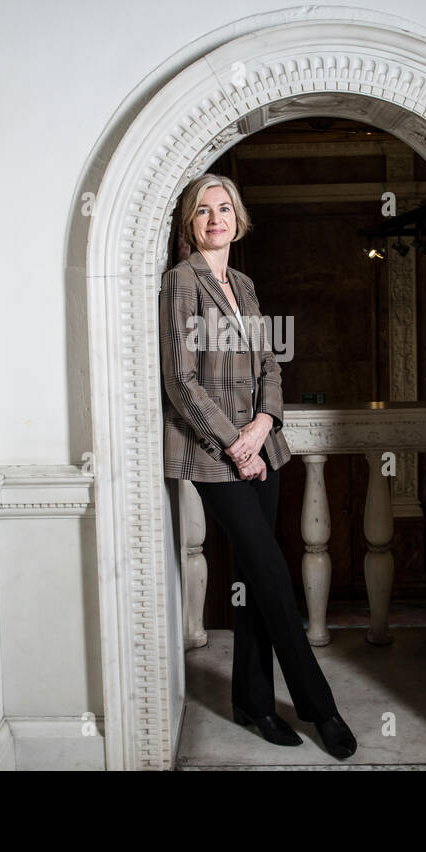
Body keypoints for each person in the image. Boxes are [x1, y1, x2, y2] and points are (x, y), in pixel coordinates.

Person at [158, 173, 357, 759]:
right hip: (211, 453)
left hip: (261, 444)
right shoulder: (181, 282)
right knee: (271, 575)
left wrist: (264, 425)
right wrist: (234, 443)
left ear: (237, 218)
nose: (215, 218)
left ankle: (253, 701)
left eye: (224, 209)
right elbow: (180, 380)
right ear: (190, 224)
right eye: (203, 211)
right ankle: (322, 708)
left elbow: (270, 362)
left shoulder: (243, 284)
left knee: (252, 575)